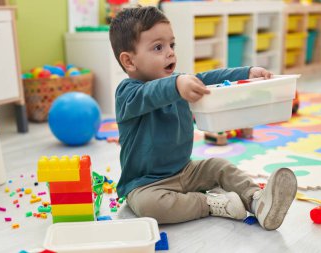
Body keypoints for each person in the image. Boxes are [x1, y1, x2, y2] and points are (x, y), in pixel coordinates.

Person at [109, 6, 297, 230]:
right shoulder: (128, 93)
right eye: (158, 47)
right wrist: (177, 85)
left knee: (219, 166)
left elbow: (207, 78)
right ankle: (211, 203)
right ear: (129, 62)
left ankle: (258, 201)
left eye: (172, 45)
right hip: (145, 185)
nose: (170, 52)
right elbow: (151, 94)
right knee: (148, 207)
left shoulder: (179, 82)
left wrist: (245, 73)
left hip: (185, 171)